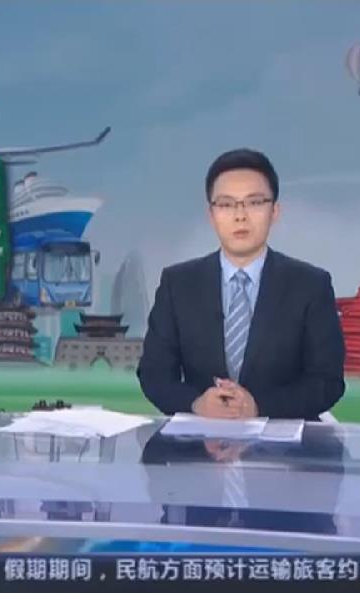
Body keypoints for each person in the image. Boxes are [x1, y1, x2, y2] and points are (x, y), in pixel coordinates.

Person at [136, 149, 345, 421]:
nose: (240, 216)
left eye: (254, 202)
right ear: (211, 214)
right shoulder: (177, 284)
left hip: (285, 442)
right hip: (199, 441)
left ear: (274, 211)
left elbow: (327, 382)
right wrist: (196, 403)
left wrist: (258, 406)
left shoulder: (310, 285)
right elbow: (154, 374)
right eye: (226, 205)